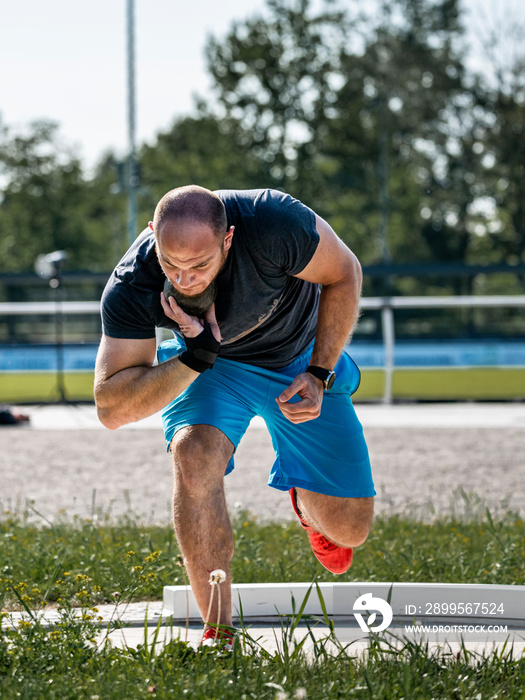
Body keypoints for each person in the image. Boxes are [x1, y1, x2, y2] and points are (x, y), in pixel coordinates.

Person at [94, 185, 375, 646]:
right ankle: (218, 634)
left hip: (300, 362)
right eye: (171, 264)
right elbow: (111, 409)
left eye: (199, 264)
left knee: (349, 532)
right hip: (213, 366)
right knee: (193, 453)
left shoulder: (273, 223)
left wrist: (320, 371)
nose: (184, 280)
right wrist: (193, 359)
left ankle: (305, 505)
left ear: (228, 239)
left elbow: (345, 273)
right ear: (151, 235)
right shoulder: (133, 280)